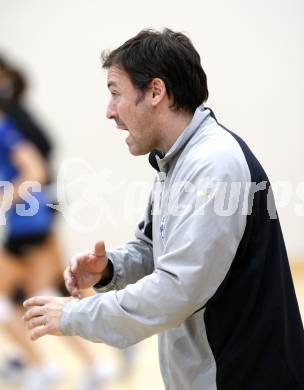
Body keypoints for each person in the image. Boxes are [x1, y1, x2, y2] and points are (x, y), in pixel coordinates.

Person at [23, 28, 304, 390]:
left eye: (115, 93)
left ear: (156, 92)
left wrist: (75, 314)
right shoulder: (176, 161)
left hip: (245, 377)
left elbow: (177, 289)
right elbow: (157, 251)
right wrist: (111, 269)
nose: (109, 112)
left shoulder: (214, 164)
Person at [0, 56, 118, 389]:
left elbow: (35, 171)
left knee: (20, 296)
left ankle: (44, 365)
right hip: (36, 217)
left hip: (30, 221)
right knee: (47, 291)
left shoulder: (6, 125)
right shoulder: (11, 119)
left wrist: (5, 200)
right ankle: (92, 362)